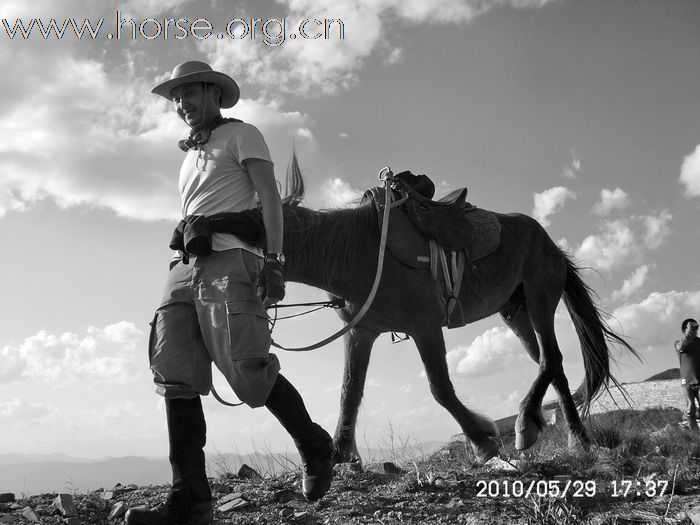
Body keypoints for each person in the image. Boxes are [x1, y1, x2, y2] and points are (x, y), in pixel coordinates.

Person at [125, 61, 333, 525]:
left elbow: (269, 200)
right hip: (185, 268)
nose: (181, 105)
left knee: (247, 367)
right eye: (175, 98)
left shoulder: (244, 135)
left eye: (188, 94)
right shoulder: (188, 156)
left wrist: (275, 262)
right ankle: (190, 502)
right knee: (173, 372)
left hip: (230, 260)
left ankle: (315, 445)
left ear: (213, 93)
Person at [675, 318, 700, 430]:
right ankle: (694, 434)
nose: (695, 331)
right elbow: (681, 347)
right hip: (687, 383)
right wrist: (688, 335)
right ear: (684, 330)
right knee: (690, 409)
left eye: (696, 329)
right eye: (692, 329)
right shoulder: (679, 343)